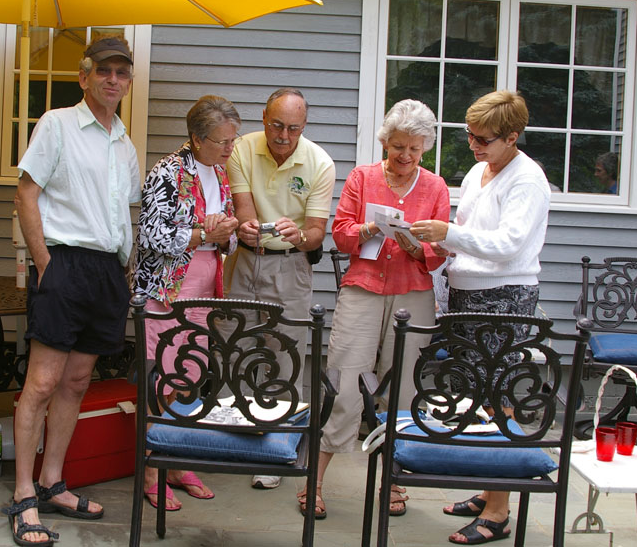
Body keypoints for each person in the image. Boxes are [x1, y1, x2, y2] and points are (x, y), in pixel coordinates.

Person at [7, 35, 141, 547]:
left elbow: (122, 211)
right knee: (41, 383)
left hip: (106, 271)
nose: (113, 80)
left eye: (121, 73)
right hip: (63, 263)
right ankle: (23, 495)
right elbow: (26, 193)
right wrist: (45, 264)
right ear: (84, 77)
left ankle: (52, 482)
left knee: (77, 382)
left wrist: (123, 269)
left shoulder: (123, 141)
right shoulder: (57, 123)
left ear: (128, 82)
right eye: (103, 71)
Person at [410, 90, 551, 545]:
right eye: (469, 136)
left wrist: (449, 233)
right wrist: (433, 243)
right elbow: (469, 236)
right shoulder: (478, 170)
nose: (474, 145)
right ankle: (489, 488)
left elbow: (508, 243)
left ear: (512, 137)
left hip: (505, 298)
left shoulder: (527, 179)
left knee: (501, 395)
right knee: (474, 394)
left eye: (484, 139)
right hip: (467, 294)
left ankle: (499, 509)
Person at [305, 99, 449, 520]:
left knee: (403, 388)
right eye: (398, 146)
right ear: (385, 142)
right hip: (364, 289)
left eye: (415, 150)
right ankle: (314, 478)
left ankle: (394, 480)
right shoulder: (362, 177)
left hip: (414, 293)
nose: (404, 156)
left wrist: (414, 244)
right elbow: (342, 234)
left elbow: (439, 251)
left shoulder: (436, 187)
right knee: (345, 383)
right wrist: (370, 227)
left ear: (425, 149)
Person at [224, 87, 336, 491]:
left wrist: (300, 235)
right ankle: (232, 441)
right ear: (263, 118)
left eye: (292, 128)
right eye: (276, 125)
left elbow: (317, 233)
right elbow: (243, 210)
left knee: (284, 352)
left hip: (292, 266)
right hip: (245, 261)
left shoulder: (320, 163)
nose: (283, 135)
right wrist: (249, 227)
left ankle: (278, 448)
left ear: (303, 127)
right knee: (234, 346)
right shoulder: (241, 148)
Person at [132, 95, 240, 511]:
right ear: (196, 138)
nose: (230, 149)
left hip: (204, 286)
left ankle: (174, 462)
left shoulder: (219, 171)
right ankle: (150, 467)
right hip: (166, 290)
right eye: (222, 141)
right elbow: (151, 237)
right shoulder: (167, 171)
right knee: (162, 377)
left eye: (233, 140)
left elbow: (224, 235)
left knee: (189, 373)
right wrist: (201, 235)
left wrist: (226, 232)